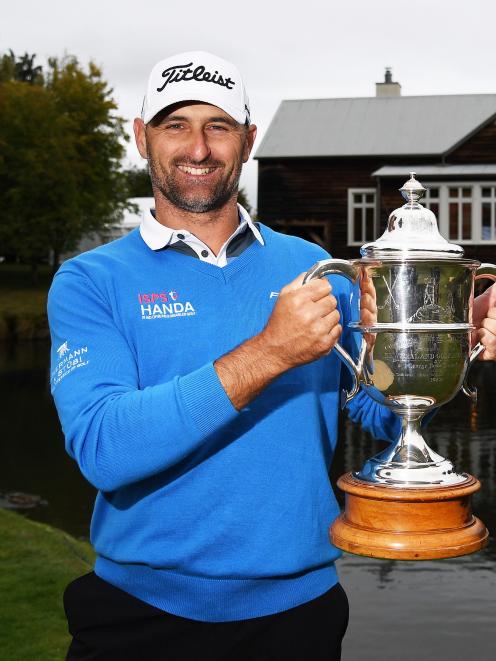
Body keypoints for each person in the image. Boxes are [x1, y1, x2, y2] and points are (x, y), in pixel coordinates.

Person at [48, 51, 496, 661]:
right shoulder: (89, 280)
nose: (199, 148)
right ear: (141, 137)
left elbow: (382, 412)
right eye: (175, 124)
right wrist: (268, 353)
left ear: (248, 140)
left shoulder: (311, 267)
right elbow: (105, 449)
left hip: (298, 617)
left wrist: (445, 337)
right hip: (140, 618)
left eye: (220, 126)